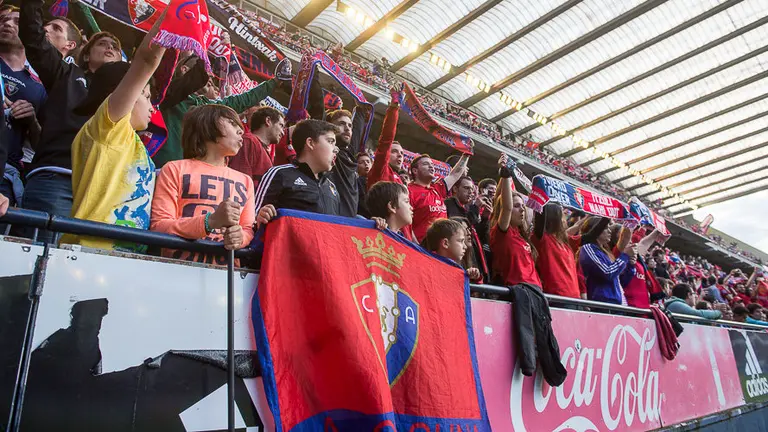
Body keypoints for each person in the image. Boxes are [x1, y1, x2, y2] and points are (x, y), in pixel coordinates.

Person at [59, 14, 166, 252]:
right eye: (146, 96)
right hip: (91, 249)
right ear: (118, 93)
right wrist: (175, 14)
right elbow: (147, 61)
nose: (151, 107)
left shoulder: (134, 144)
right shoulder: (109, 127)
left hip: (126, 258)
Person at [20, 0, 118, 242]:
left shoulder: (131, 93)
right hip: (56, 179)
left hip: (104, 188)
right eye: (101, 44)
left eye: (114, 46)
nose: (108, 47)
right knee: (37, 267)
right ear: (85, 54)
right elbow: (32, 37)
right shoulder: (65, 73)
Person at [151, 104, 254, 264]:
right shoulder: (174, 169)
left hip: (228, 277)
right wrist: (210, 221)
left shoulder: (246, 181)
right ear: (207, 125)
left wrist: (240, 238)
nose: (241, 131)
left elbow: (247, 230)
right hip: (175, 272)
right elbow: (159, 226)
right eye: (233, 124)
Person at [153, 55, 287, 169]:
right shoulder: (167, 95)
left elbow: (241, 101)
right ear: (184, 69)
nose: (210, 76)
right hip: (158, 167)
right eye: (205, 70)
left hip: (187, 172)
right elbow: (180, 84)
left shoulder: (205, 105)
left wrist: (275, 82)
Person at [0, 5, 46, 208]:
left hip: (7, 175)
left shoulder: (41, 84)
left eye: (17, 21)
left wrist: (32, 119)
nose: (7, 23)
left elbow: (40, 145)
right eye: (2, 20)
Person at [255, 119, 339, 225]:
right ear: (310, 143)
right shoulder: (279, 174)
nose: (335, 149)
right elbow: (253, 218)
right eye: (330, 141)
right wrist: (259, 217)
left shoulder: (332, 188)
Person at [489, 154, 541, 287]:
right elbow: (506, 207)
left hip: (536, 290)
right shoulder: (502, 233)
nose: (522, 210)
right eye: (516, 206)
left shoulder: (521, 234)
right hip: (518, 290)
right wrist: (506, 176)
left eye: (522, 206)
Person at [408, 152, 469, 243]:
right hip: (421, 248)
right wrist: (416, 246)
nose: (431, 167)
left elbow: (454, 174)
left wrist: (466, 155)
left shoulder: (438, 188)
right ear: (415, 171)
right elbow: (406, 223)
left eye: (432, 164)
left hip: (442, 249)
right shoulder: (408, 191)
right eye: (426, 164)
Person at [531, 203, 584, 298]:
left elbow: (580, 228)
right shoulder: (543, 240)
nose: (565, 220)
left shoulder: (564, 242)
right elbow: (540, 221)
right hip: (557, 298)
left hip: (575, 298)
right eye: (562, 217)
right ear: (554, 220)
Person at [578, 217, 635, 304]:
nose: (609, 231)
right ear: (595, 229)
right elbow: (608, 272)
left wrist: (630, 265)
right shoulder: (588, 248)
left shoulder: (606, 252)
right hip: (602, 304)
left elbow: (623, 281)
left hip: (616, 303)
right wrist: (625, 256)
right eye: (605, 228)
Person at [227, 106, 285, 186]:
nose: (283, 132)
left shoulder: (257, 145)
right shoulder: (249, 141)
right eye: (281, 125)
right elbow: (240, 182)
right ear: (268, 121)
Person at [367, 86, 405, 188]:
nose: (400, 155)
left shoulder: (400, 180)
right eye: (394, 151)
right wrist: (394, 107)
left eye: (401, 153)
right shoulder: (380, 170)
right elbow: (386, 139)